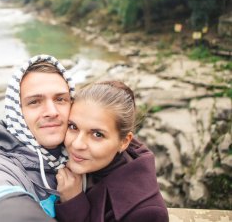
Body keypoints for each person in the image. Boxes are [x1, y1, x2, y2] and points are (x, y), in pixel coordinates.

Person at [0, 55, 75, 222]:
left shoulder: (83, 154)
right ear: (17, 112)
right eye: (35, 102)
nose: (52, 111)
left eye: (60, 99)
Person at [55, 81, 169, 222]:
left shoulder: (145, 213)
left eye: (97, 134)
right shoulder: (57, 157)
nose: (77, 144)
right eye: (73, 126)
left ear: (124, 142)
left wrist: (73, 203)